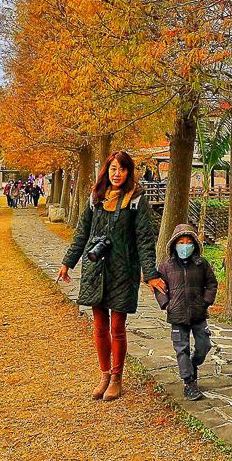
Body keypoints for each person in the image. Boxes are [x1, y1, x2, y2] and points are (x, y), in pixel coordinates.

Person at [56, 151, 166, 402]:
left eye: (122, 169)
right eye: (113, 169)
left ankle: (117, 377)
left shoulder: (136, 199)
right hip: (96, 269)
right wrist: (67, 263)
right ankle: (104, 374)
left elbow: (145, 240)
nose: (117, 174)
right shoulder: (95, 198)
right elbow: (81, 233)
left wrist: (149, 273)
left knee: (117, 326)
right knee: (99, 326)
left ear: (129, 172)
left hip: (123, 270)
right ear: (106, 171)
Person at [154, 223, 218, 401]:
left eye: (188, 241)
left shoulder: (201, 264)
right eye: (181, 241)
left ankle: (193, 364)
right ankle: (189, 383)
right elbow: (159, 288)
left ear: (194, 244)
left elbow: (212, 283)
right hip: (177, 315)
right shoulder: (166, 266)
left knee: (204, 345)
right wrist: (166, 304)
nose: (184, 245)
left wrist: (205, 301)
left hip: (198, 314)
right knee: (181, 349)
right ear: (174, 244)